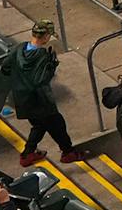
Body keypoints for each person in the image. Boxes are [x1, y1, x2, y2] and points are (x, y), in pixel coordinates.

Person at [7, 17, 86, 168]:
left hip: (21, 98)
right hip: (40, 101)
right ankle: (68, 153)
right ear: (46, 36)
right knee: (57, 124)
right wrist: (51, 67)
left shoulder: (19, 48)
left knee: (39, 125)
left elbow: (5, 67)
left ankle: (27, 154)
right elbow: (39, 81)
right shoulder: (42, 56)